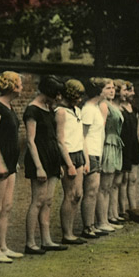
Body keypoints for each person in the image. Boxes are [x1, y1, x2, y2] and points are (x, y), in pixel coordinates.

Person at [24, 75, 67, 254]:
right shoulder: (32, 110)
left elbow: (54, 138)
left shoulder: (49, 109)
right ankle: (30, 242)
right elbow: (30, 141)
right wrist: (39, 166)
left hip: (51, 157)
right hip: (39, 158)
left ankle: (46, 239)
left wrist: (59, 163)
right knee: (38, 201)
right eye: (56, 94)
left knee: (48, 201)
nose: (59, 98)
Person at [0, 71, 24, 263]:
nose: (22, 87)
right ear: (11, 85)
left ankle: (3, 246)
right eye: (19, 83)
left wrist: (12, 161)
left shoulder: (9, 106)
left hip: (11, 161)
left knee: (7, 206)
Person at [55, 79, 87, 245]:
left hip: (79, 154)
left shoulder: (77, 110)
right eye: (76, 96)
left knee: (78, 195)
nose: (79, 100)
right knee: (70, 195)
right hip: (67, 155)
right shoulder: (60, 112)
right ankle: (67, 233)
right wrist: (69, 164)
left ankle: (72, 230)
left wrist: (85, 159)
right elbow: (60, 140)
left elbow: (81, 136)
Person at [80, 78, 107, 239]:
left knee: (94, 190)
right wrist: (87, 159)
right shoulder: (88, 109)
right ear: (99, 91)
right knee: (90, 191)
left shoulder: (95, 108)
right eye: (105, 88)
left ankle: (91, 224)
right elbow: (83, 135)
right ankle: (87, 226)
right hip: (90, 153)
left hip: (96, 151)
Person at [96, 78, 124, 232]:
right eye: (108, 88)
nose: (112, 90)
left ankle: (106, 219)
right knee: (104, 186)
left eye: (113, 88)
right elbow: (100, 130)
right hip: (107, 144)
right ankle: (101, 221)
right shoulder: (103, 106)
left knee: (109, 186)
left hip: (115, 144)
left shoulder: (112, 105)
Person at [118, 81, 139, 213]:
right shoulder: (119, 109)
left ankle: (134, 208)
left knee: (133, 178)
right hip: (123, 147)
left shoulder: (134, 109)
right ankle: (122, 209)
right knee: (123, 179)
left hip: (133, 146)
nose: (132, 93)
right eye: (128, 90)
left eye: (132, 90)